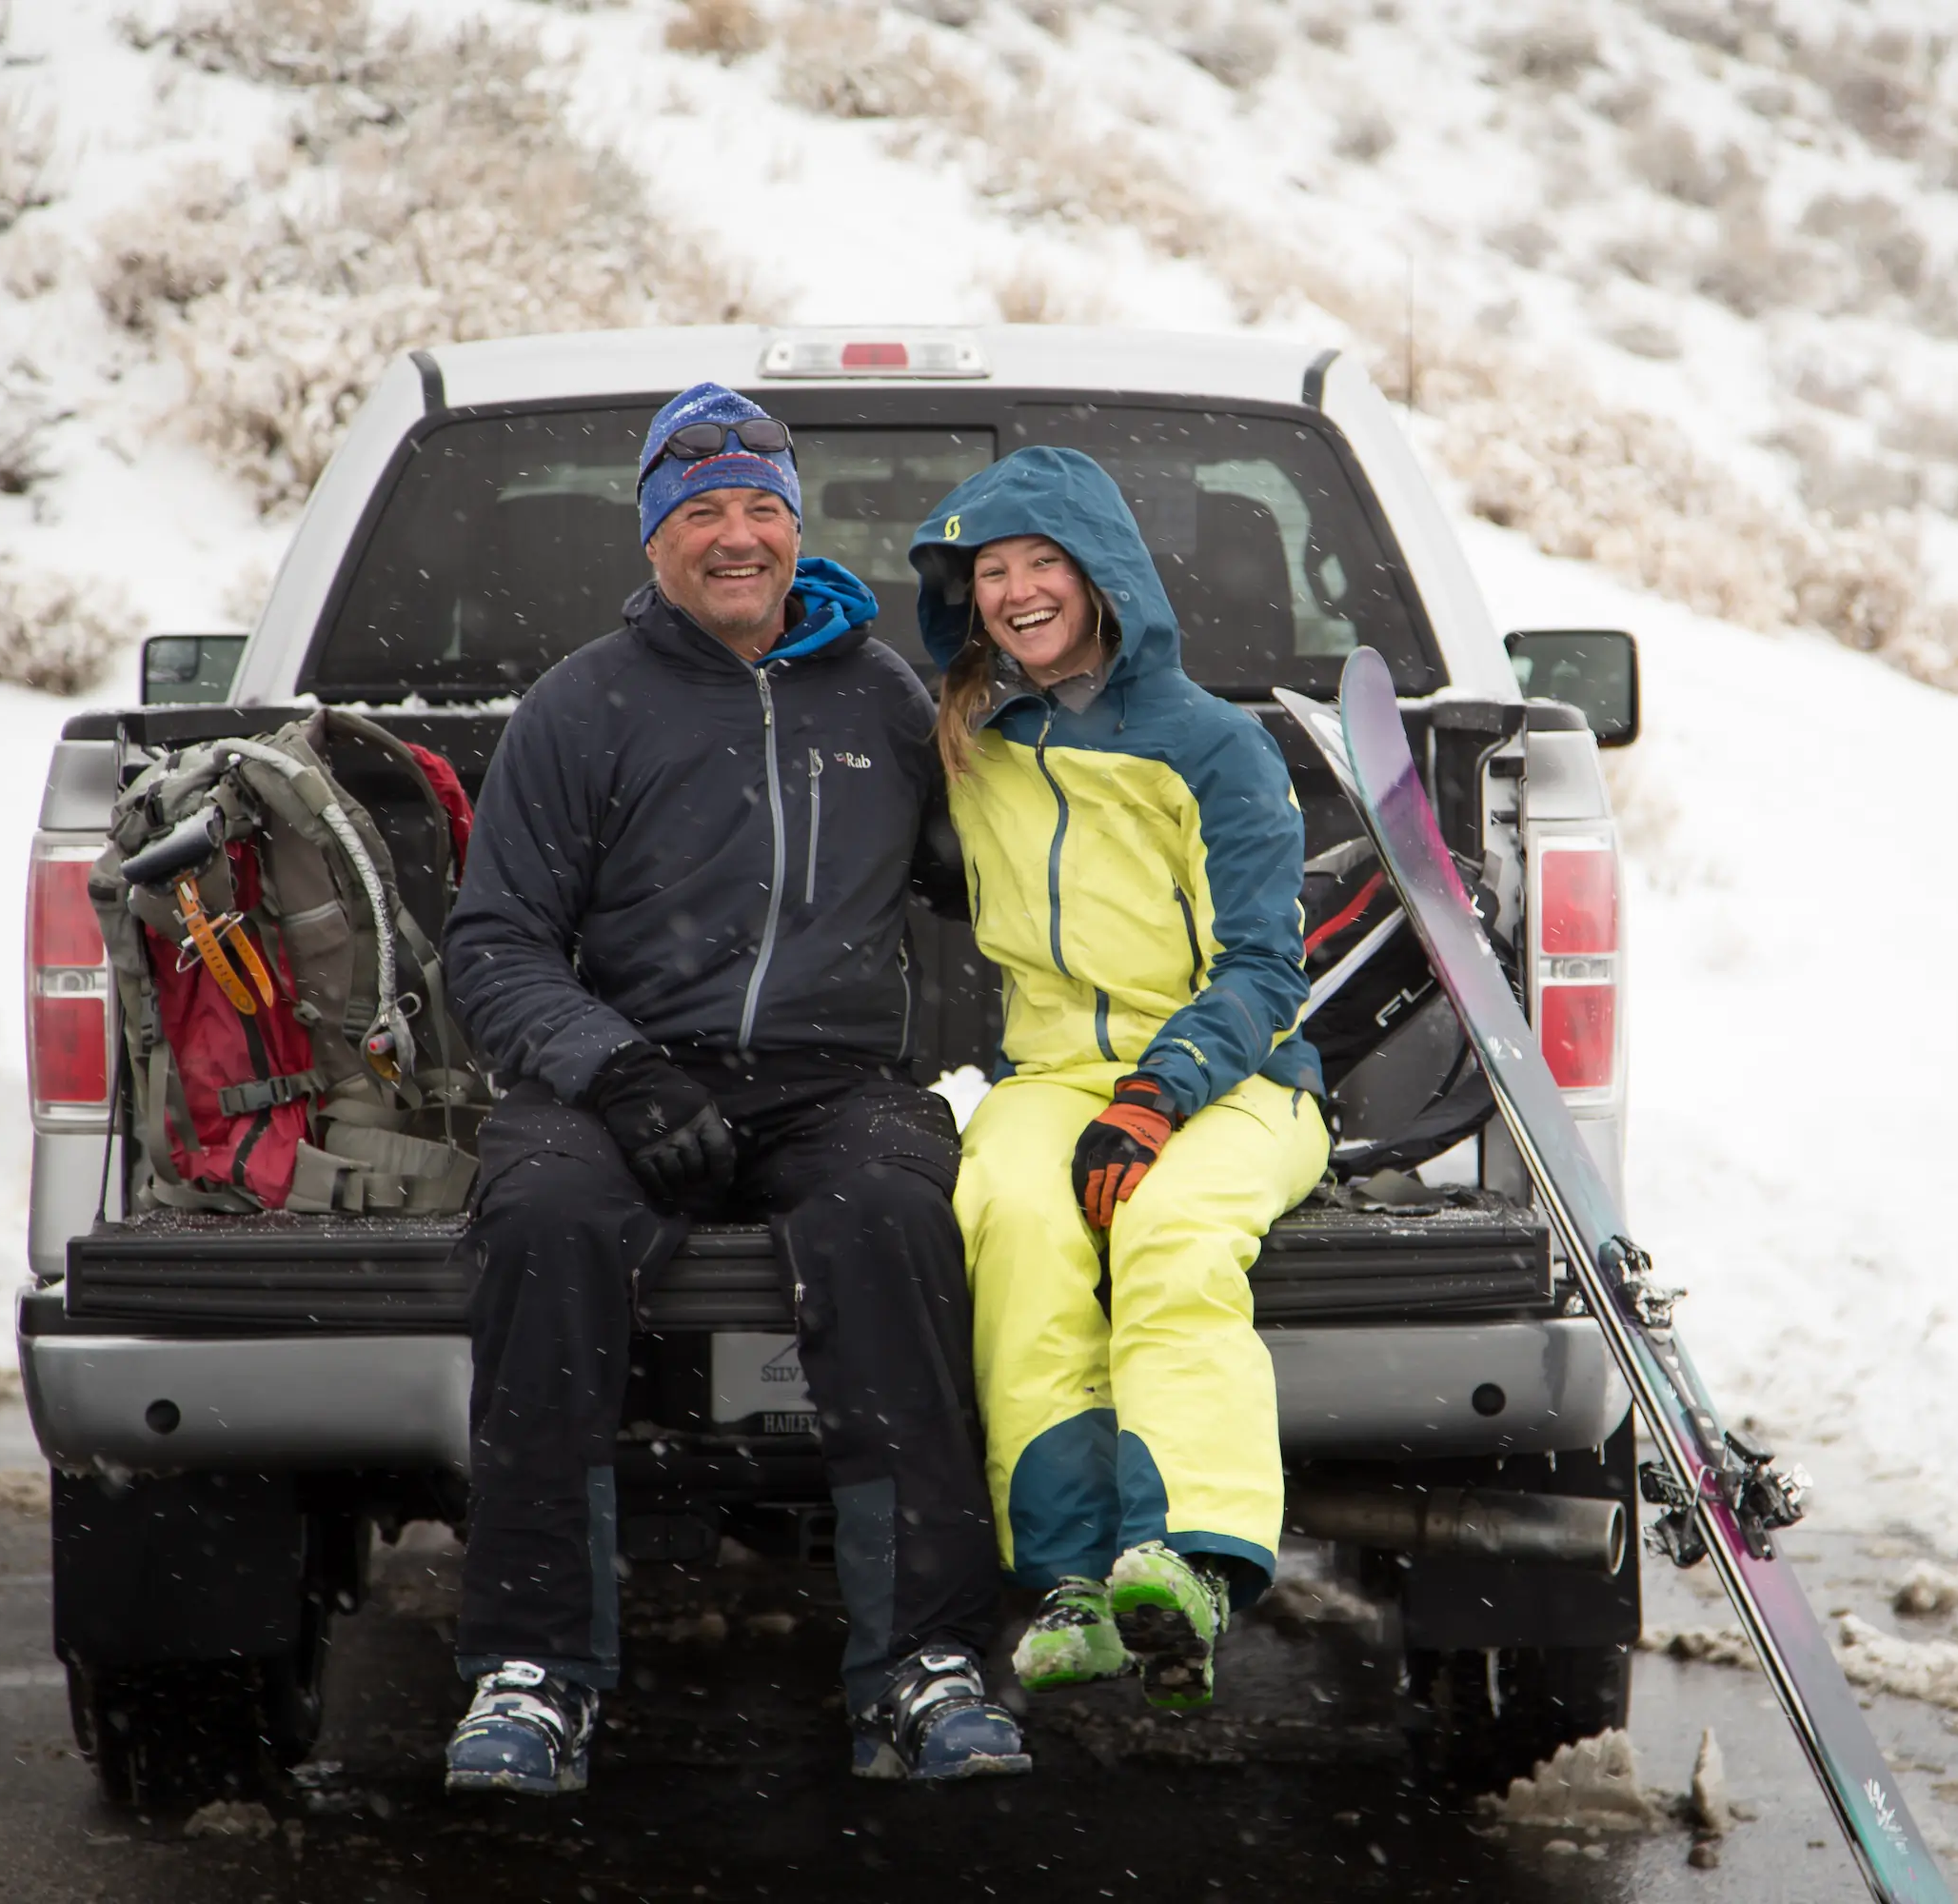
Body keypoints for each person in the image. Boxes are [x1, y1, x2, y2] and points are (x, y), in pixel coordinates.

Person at [437, 383, 1028, 1792]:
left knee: (897, 1220)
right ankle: (533, 1676)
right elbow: (496, 943)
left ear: (797, 526)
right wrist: (617, 1069)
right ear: (653, 539)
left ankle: (924, 1668)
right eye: (700, 511)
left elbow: (1021, 867)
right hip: (621, 1076)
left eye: (761, 507)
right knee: (543, 1228)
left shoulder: (885, 694)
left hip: (834, 1087)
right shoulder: (584, 706)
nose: (737, 536)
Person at [906, 447, 1330, 1711]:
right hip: (1049, 1075)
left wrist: (1157, 1097)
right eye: (990, 571)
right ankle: (1074, 1582)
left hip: (1237, 1075)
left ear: (1102, 578)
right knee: (1016, 1221)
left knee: (1169, 1224)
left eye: (1042, 563)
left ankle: (1191, 1557)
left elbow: (1264, 967)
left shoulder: (1214, 749)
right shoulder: (980, 748)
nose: (1017, 591)